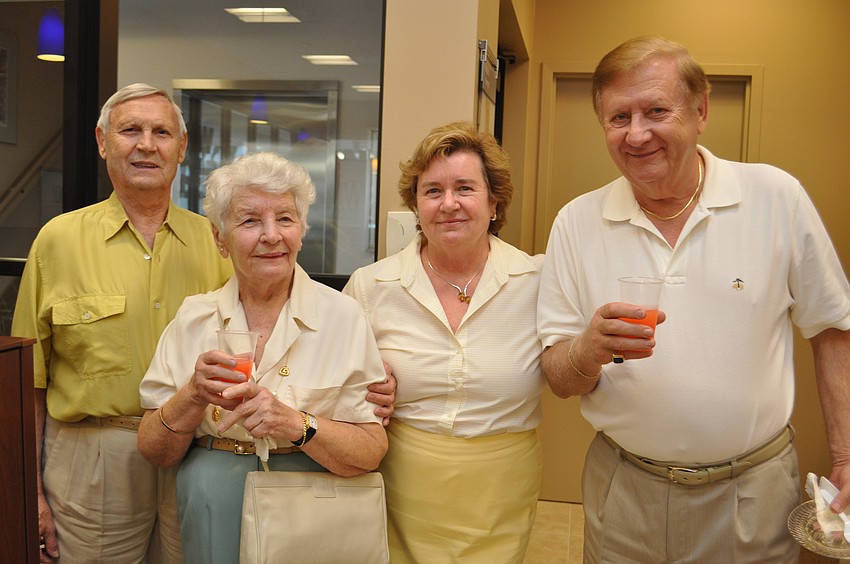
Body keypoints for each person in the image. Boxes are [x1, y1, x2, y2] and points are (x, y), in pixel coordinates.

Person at [11, 83, 395, 563]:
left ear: (182, 147)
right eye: (131, 130)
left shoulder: (329, 307)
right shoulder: (59, 241)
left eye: (162, 132)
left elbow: (365, 432)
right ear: (103, 141)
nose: (269, 237)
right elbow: (29, 380)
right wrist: (28, 494)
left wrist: (371, 389)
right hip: (98, 457)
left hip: (214, 470)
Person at [536, 36, 850, 563]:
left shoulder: (776, 197)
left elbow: (832, 329)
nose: (637, 134)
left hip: (751, 492)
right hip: (624, 487)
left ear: (700, 110)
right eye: (618, 118)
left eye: (656, 110)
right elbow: (558, 376)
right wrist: (588, 349)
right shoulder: (575, 222)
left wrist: (845, 455)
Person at [137, 151, 388, 564]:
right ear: (220, 239)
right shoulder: (193, 318)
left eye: (285, 219)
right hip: (210, 503)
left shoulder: (343, 317)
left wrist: (296, 423)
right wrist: (194, 395)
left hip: (311, 508)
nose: (271, 235)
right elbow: (154, 450)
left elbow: (370, 450)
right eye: (250, 220)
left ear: (302, 231)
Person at [343, 121, 545, 563]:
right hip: (401, 486)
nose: (448, 204)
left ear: (494, 202)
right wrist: (363, 390)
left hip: (500, 490)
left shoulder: (537, 282)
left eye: (465, 188)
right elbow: (331, 385)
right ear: (416, 205)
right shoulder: (371, 286)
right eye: (432, 191)